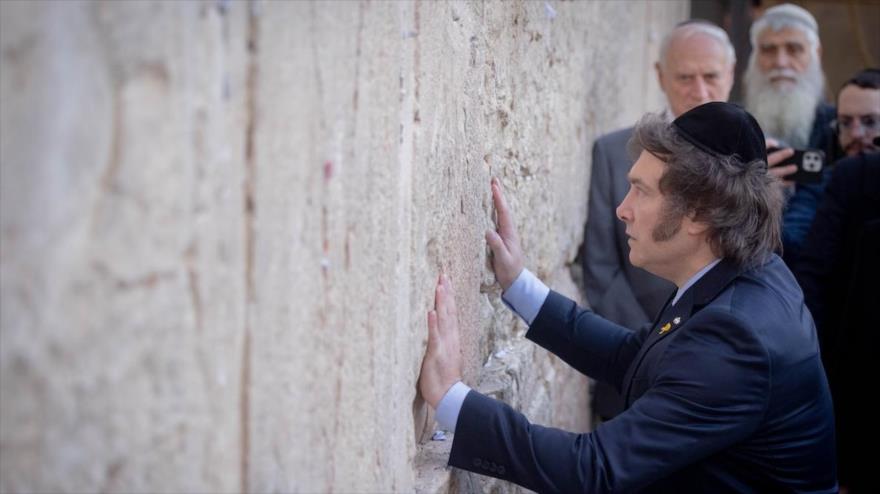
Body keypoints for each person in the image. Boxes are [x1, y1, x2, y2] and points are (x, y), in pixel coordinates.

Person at [418, 102, 837, 492]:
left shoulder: (735, 338)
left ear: (700, 214)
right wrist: (518, 284)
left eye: (642, 190)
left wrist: (451, 398)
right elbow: (637, 358)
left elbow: (594, 470)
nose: (623, 208)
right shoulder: (747, 271)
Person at [583, 20, 734, 420]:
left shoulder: (756, 162)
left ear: (731, 75)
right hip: (631, 373)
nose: (699, 91)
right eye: (685, 77)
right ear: (660, 76)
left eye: (711, 76)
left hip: (721, 378)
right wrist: (653, 349)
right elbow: (601, 268)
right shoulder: (615, 152)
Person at [796, 68, 880, 493]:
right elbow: (808, 268)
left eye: (870, 122)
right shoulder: (821, 172)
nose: (857, 135)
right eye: (845, 123)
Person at [743, 3, 836, 264]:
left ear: (816, 52)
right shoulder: (735, 128)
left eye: (794, 49)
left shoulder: (841, 128)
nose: (780, 62)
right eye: (768, 50)